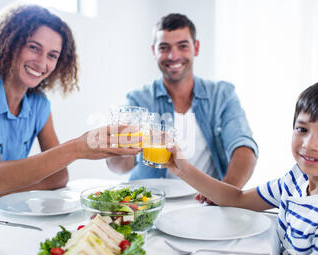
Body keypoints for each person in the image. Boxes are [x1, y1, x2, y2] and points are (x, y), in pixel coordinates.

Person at [0, 4, 140, 231]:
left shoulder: (39, 104)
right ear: (10, 44)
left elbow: (59, 176)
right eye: (34, 48)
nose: (42, 63)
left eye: (52, 55)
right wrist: (77, 148)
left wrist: (5, 194)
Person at [167, 79, 318, 255]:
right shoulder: (299, 176)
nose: (309, 145)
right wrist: (184, 169)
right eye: (302, 129)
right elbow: (239, 198)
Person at [106, 13, 258, 191]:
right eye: (164, 47)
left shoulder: (222, 94)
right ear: (154, 51)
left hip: (205, 201)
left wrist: (225, 193)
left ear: (196, 48)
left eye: (182, 46)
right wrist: (120, 148)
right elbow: (119, 167)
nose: (173, 56)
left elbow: (243, 148)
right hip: (149, 200)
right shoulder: (137, 100)